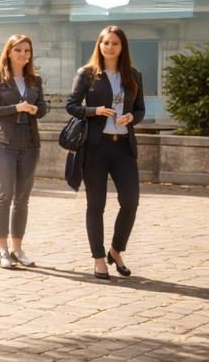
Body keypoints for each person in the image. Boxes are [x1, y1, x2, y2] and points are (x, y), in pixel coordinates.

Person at [66, 25, 144, 280]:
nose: (109, 47)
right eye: (105, 42)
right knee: (96, 205)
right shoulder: (87, 74)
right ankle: (99, 258)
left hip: (123, 147)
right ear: (99, 45)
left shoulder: (133, 75)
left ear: (122, 47)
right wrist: (95, 111)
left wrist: (132, 117)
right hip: (95, 147)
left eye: (114, 43)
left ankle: (116, 250)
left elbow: (140, 109)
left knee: (130, 201)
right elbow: (72, 105)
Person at [0, 34, 47, 270]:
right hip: (2, 143)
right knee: (5, 195)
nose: (23, 55)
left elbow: (43, 108)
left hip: (29, 144)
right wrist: (16, 108)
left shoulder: (34, 80)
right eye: (18, 50)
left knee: (22, 198)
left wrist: (33, 109)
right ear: (9, 52)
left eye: (27, 51)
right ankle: (1, 249)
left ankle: (17, 248)